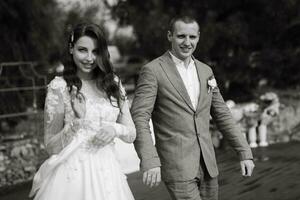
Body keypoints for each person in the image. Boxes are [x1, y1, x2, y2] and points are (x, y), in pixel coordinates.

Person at [131, 15, 255, 200]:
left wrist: (244, 152)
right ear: (169, 36)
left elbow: (222, 114)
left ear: (198, 37)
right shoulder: (153, 70)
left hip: (208, 164)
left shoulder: (206, 71)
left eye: (192, 37)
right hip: (177, 165)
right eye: (181, 36)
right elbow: (139, 117)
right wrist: (149, 159)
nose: (187, 42)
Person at [29, 23, 136, 200]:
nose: (89, 58)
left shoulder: (113, 83)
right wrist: (76, 123)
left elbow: (131, 134)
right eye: (82, 50)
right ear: (71, 49)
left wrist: (114, 129)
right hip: (73, 178)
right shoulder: (60, 87)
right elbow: (50, 146)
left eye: (95, 51)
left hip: (110, 175)